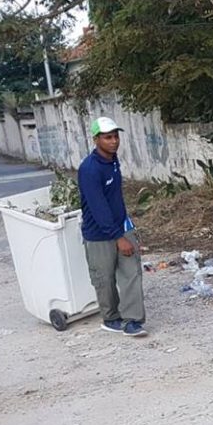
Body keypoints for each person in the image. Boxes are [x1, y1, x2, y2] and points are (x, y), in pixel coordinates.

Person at [78, 117, 147, 337]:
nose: (114, 141)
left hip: (121, 226)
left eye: (116, 136)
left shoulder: (114, 160)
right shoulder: (89, 169)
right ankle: (111, 318)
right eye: (108, 137)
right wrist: (118, 237)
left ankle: (133, 321)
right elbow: (98, 207)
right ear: (96, 139)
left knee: (131, 272)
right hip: (99, 234)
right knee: (104, 279)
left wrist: (125, 230)